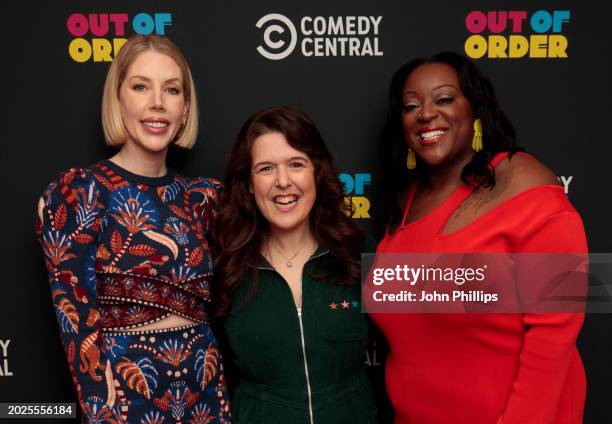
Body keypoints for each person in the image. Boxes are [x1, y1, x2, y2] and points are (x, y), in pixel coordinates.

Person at [371, 52, 587, 423]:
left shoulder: (524, 182)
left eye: (444, 99)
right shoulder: (405, 203)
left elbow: (554, 338)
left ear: (474, 111)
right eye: (411, 105)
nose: (425, 114)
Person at [35, 35, 230, 423]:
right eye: (140, 86)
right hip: (126, 399)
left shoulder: (205, 199)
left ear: (185, 108)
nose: (157, 102)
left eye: (171, 90)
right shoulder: (81, 194)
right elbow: (76, 327)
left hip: (205, 394)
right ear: (118, 99)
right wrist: (103, 411)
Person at [214, 106, 378, 423]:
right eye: (265, 169)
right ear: (248, 183)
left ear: (316, 172)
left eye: (296, 164)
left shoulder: (361, 254)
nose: (283, 181)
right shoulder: (226, 268)